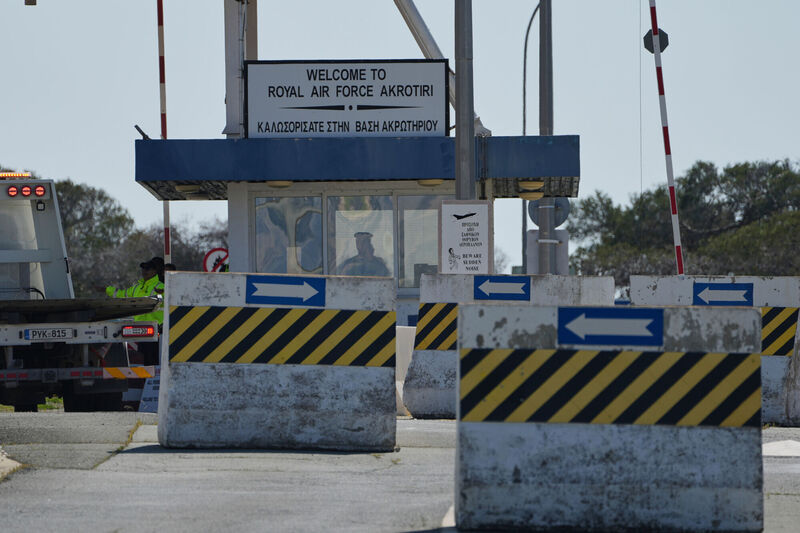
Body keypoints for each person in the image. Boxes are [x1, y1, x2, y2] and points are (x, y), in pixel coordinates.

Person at [105, 256, 165, 365]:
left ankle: (155, 381)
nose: (144, 271)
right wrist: (107, 289)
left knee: (155, 360)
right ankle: (146, 381)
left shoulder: (161, 286)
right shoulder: (137, 287)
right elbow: (121, 294)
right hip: (141, 330)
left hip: (157, 330)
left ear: (155, 271)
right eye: (143, 268)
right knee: (143, 360)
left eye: (148, 269)